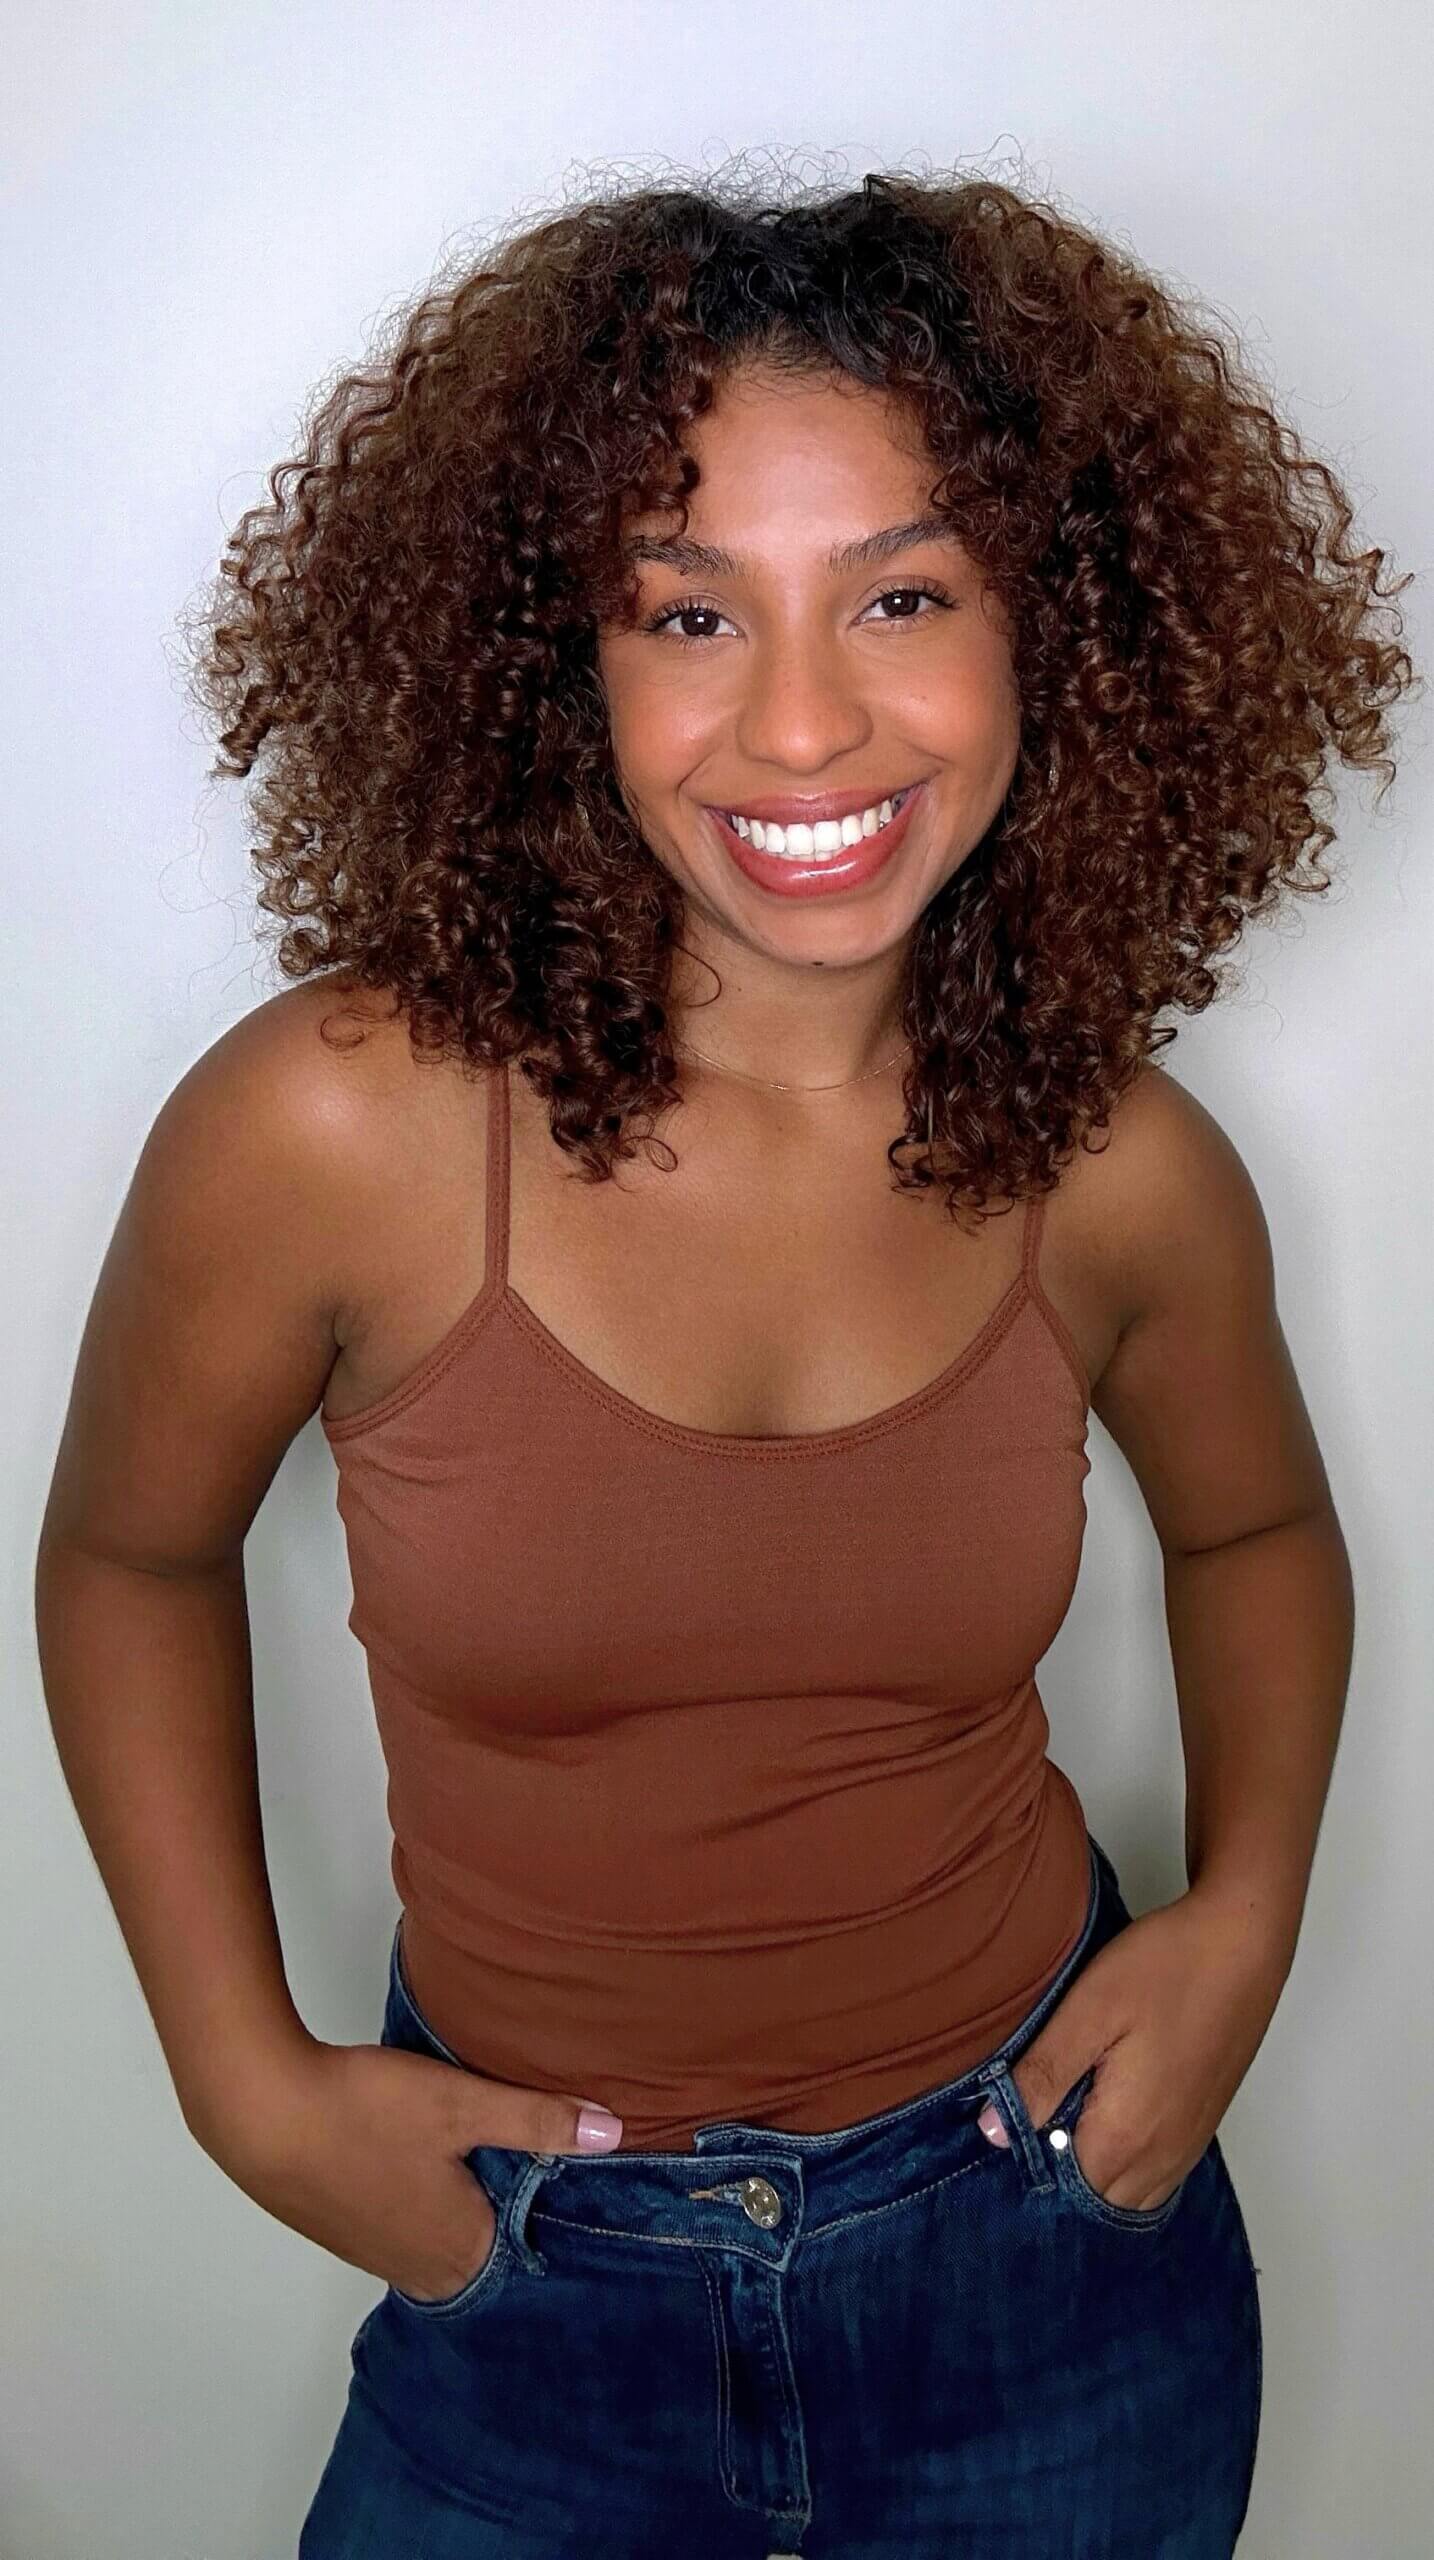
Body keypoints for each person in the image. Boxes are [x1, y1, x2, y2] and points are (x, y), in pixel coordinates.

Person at [35, 165, 1414, 2556]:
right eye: (688, 609)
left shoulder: (1117, 1167)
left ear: (1056, 626)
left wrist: (1247, 1915)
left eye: (904, 593)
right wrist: (242, 2077)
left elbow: (1261, 1528)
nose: (800, 717)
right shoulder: (331, 1132)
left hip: (1052, 2257)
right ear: (551, 659)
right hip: (533, 2288)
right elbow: (127, 1559)